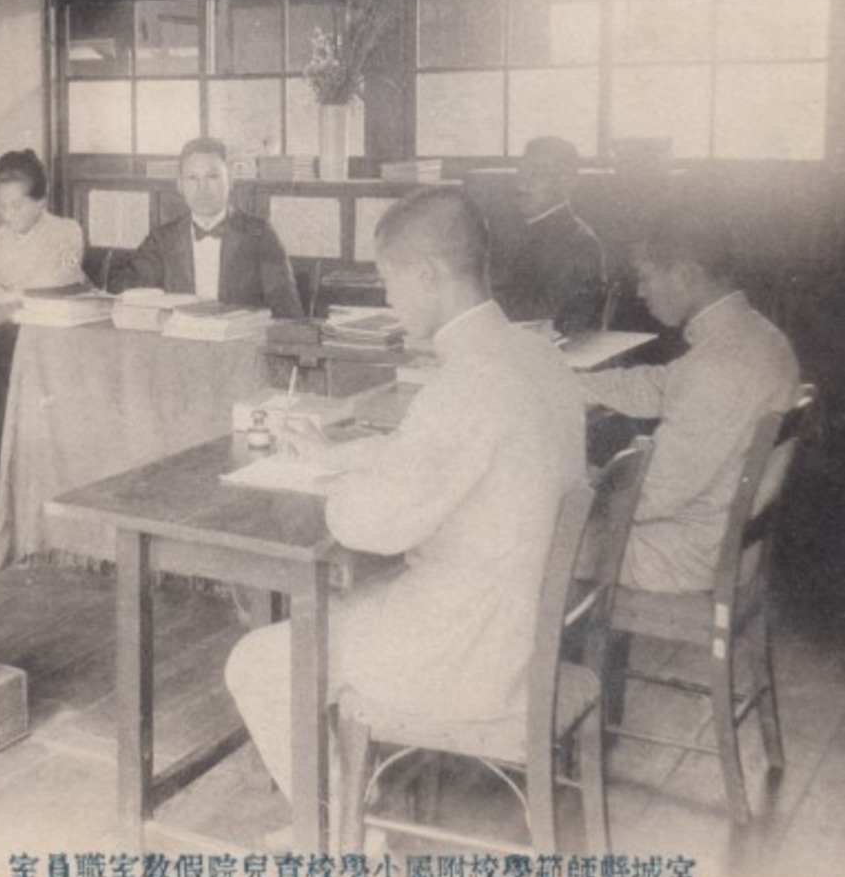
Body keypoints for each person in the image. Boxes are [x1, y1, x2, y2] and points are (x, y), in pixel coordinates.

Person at [224, 187, 586, 800]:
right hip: (521, 624)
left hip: (472, 652)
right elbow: (441, 460)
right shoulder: (533, 354)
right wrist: (340, 453)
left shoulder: (464, 385)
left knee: (257, 661)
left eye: (389, 282)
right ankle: (350, 806)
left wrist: (333, 479)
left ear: (427, 273)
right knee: (351, 606)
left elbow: (371, 527)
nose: (389, 299)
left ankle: (346, 848)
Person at [581, 206, 799, 593]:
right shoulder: (755, 335)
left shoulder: (717, 367)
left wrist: (578, 486)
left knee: (528, 533)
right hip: (715, 539)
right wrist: (571, 383)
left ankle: (566, 649)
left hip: (682, 556)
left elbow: (650, 498)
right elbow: (660, 385)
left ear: (685, 275)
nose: (640, 292)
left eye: (646, 276)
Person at [111, 137, 303, 318]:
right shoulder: (161, 239)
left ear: (230, 181)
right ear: (180, 185)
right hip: (179, 345)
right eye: (192, 178)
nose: (202, 188)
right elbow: (129, 293)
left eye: (212, 176)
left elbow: (287, 310)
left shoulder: (260, 235)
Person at [492, 135, 606, 336]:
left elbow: (548, 317)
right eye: (522, 170)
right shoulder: (507, 230)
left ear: (567, 182)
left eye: (538, 173)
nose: (524, 182)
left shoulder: (578, 243)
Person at [0, 149, 87, 295]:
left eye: (16, 206)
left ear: (40, 202)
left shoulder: (66, 232)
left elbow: (58, 283)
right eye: (2, 206)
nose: (7, 215)